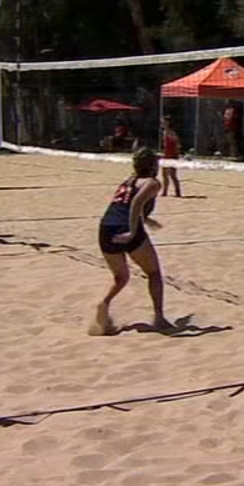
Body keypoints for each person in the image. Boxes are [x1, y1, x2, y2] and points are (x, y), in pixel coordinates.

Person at [91, 147, 171, 335]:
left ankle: (104, 303)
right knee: (153, 273)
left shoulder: (128, 181)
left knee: (121, 277)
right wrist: (132, 231)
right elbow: (135, 203)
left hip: (106, 227)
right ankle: (159, 317)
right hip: (125, 227)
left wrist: (147, 219)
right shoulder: (152, 183)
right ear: (153, 165)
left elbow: (125, 205)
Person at [159, 117, 183, 198]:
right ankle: (165, 191)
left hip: (172, 156)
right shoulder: (165, 132)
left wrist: (177, 154)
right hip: (166, 155)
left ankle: (178, 191)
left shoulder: (171, 132)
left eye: (164, 122)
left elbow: (177, 144)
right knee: (164, 174)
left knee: (172, 175)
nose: (162, 124)